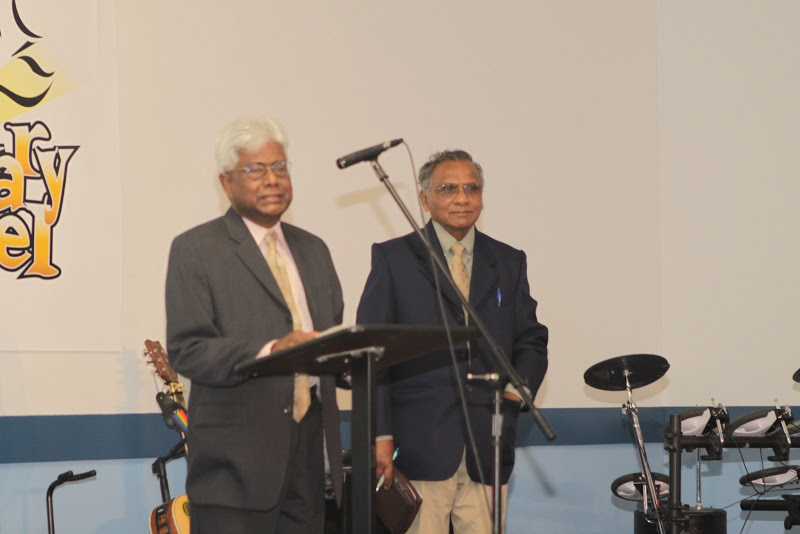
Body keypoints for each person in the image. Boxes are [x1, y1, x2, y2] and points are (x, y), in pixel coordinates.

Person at [165, 117, 344, 534]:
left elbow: (327, 336)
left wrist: (349, 362)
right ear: (226, 182)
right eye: (256, 169)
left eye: (280, 167)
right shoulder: (196, 249)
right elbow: (188, 348)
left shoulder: (314, 250)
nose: (272, 179)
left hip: (309, 458)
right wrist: (270, 351)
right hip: (235, 468)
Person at [356, 149, 548, 533]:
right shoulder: (394, 259)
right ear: (425, 199)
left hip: (488, 447)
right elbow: (372, 354)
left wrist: (514, 392)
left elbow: (531, 338)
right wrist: (380, 435)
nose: (462, 198)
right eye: (448, 189)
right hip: (419, 448)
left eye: (471, 188)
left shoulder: (508, 261)